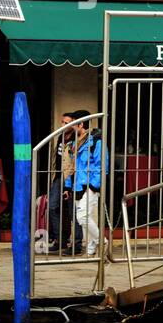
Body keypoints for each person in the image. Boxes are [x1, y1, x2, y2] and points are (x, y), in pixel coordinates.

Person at [70, 110, 103, 257]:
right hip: (78, 184)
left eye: (73, 123)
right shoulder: (75, 142)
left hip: (89, 184)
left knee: (82, 216)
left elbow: (101, 164)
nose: (71, 127)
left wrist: (94, 185)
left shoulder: (95, 140)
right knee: (86, 219)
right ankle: (90, 251)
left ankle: (102, 242)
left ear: (80, 124)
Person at [46, 112, 76, 253]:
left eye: (66, 122)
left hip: (70, 177)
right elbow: (55, 159)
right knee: (52, 207)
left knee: (72, 211)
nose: (63, 125)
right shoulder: (59, 137)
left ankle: (76, 243)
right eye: (62, 122)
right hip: (58, 177)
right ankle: (60, 240)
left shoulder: (76, 139)